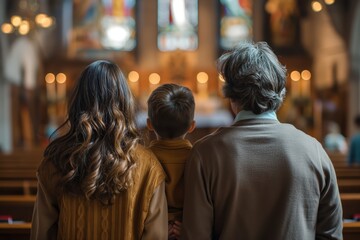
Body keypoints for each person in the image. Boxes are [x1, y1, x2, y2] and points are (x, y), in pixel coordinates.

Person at [181, 41, 343, 239]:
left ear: (230, 95)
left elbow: (196, 235)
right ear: (281, 92)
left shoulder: (205, 153)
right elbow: (331, 234)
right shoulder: (314, 151)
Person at [31, 60, 168, 239]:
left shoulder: (55, 162)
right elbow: (156, 236)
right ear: (124, 103)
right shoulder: (148, 165)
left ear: (78, 102)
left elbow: (42, 233)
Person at [147, 83, 195, 240]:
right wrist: (189, 228)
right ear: (192, 126)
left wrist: (158, 228)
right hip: (188, 229)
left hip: (152, 230)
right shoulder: (199, 157)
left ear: (149, 124)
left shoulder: (143, 160)